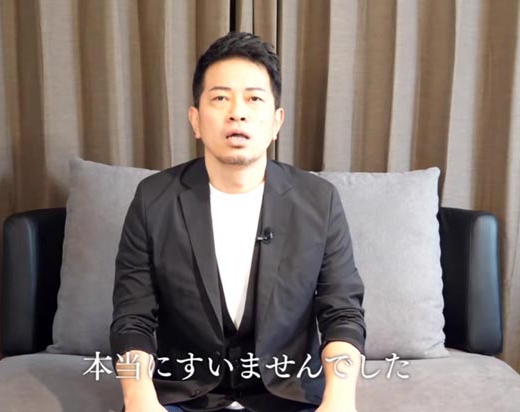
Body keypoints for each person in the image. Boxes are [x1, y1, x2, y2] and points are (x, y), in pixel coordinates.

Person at [110, 31, 366, 412]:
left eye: (254, 98)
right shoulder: (154, 201)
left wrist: (339, 401)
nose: (237, 113)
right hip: (185, 397)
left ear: (276, 122)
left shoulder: (319, 202)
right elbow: (132, 318)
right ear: (195, 120)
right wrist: (140, 401)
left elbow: (341, 312)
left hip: (288, 397)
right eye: (220, 98)